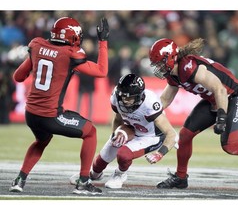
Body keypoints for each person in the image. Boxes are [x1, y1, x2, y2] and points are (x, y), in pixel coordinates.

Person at [148, 38, 238, 189]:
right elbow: (165, 99)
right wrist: (147, 114)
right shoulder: (173, 74)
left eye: (160, 62)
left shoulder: (189, 67)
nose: (158, 67)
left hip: (232, 96)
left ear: (171, 58)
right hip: (213, 99)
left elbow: (219, 88)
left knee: (230, 146)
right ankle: (181, 177)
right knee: (185, 135)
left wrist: (222, 116)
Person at [9, 16, 109, 195]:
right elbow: (102, 71)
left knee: (42, 140)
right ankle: (84, 182)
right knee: (90, 132)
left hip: (30, 114)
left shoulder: (37, 45)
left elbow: (18, 77)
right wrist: (103, 42)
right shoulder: (70, 54)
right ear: (73, 37)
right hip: (51, 115)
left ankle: (19, 180)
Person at [70, 73, 178, 189]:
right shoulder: (117, 97)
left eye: (129, 98)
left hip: (150, 136)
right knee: (99, 162)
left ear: (139, 96)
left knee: (123, 155)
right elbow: (117, 119)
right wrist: (115, 135)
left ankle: (120, 174)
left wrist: (160, 153)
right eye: (123, 97)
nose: (125, 101)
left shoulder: (150, 104)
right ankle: (94, 174)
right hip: (131, 129)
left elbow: (171, 134)